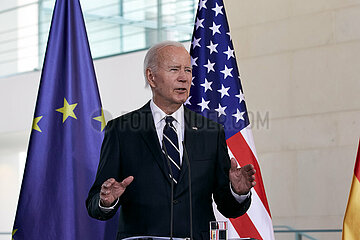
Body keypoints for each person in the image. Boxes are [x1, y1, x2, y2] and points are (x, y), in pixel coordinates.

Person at [86, 41, 256, 240]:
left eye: (188, 70)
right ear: (152, 77)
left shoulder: (211, 131)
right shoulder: (121, 131)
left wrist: (237, 192)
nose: (184, 78)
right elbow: (94, 204)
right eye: (174, 69)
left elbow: (228, 206)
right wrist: (106, 201)